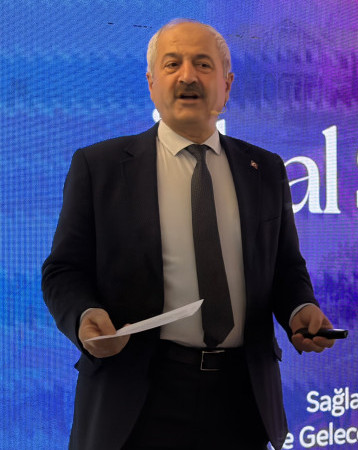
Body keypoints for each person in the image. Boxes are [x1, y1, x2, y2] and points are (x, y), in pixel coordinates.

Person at [41, 18, 334, 450]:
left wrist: (300, 308)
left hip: (241, 399)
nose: (187, 76)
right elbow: (63, 271)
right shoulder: (99, 167)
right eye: (172, 63)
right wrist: (84, 316)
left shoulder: (265, 169)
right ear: (151, 83)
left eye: (203, 64)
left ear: (227, 85)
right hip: (137, 398)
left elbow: (285, 267)